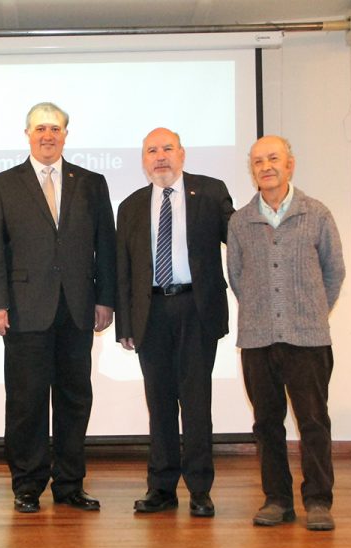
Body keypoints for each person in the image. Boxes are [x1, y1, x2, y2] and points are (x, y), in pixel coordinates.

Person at [0, 102, 116, 513]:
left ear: (66, 135)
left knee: (75, 399)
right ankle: (27, 484)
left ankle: (70, 483)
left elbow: (104, 245)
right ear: (27, 135)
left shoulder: (91, 183)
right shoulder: (2, 184)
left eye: (55, 128)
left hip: (77, 309)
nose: (48, 135)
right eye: (40, 128)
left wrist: (105, 299)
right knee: (26, 402)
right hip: (23, 310)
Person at [227, 135, 345, 531]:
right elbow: (238, 277)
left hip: (308, 340)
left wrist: (310, 312)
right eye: (258, 161)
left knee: (313, 420)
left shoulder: (317, 214)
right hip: (258, 339)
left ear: (290, 164)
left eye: (273, 158)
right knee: (266, 424)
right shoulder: (240, 221)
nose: (266, 167)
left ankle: (318, 500)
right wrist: (266, 313)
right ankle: (277, 499)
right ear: (252, 170)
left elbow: (334, 271)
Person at [116, 127, 234, 515]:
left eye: (167, 148)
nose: (160, 156)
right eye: (152, 150)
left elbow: (240, 244)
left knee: (197, 403)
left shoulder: (211, 192)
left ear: (182, 154)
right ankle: (161, 488)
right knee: (160, 403)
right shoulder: (131, 206)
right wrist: (125, 325)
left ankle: (200, 490)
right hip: (150, 312)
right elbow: (123, 271)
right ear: (143, 159)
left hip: (196, 309)